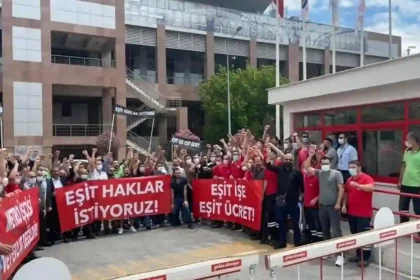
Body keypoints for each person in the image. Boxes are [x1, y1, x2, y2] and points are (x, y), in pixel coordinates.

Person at [304, 150, 345, 267]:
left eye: (327, 163)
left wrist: (338, 203)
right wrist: (311, 154)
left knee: (336, 230)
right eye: (323, 164)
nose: (325, 165)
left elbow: (341, 189)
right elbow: (306, 167)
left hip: (333, 206)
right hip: (322, 206)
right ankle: (328, 251)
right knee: (325, 230)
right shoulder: (320, 173)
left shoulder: (336, 174)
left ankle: (340, 255)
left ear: (330, 163)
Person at [265, 153, 303, 249]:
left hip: (293, 200)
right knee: (281, 221)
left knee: (295, 222)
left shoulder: (297, 172)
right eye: (286, 159)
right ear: (283, 160)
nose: (288, 161)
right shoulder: (279, 169)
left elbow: (302, 186)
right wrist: (268, 156)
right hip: (281, 200)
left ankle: (297, 242)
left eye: (290, 159)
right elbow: (269, 166)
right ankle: (282, 242)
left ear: (292, 161)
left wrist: (301, 196)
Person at [342, 160, 374, 267]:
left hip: (364, 213)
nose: (351, 169)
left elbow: (371, 187)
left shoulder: (366, 178)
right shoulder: (349, 180)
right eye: (350, 167)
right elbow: (346, 192)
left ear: (359, 167)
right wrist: (344, 205)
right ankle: (358, 255)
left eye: (353, 167)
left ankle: (365, 258)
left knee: (364, 235)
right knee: (355, 234)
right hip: (352, 212)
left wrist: (359, 186)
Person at [398, 131, 420, 230]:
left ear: (414, 140)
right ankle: (404, 229)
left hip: (417, 185)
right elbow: (403, 166)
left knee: (418, 210)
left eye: (408, 139)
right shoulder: (407, 151)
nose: (406, 141)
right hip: (405, 185)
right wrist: (400, 180)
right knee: (403, 209)